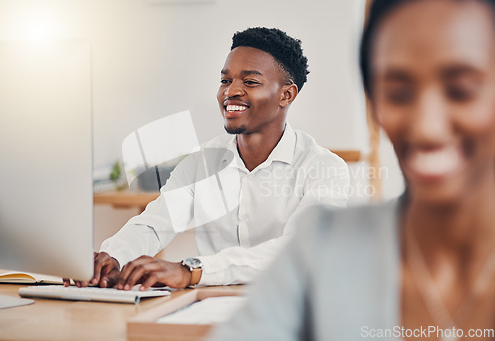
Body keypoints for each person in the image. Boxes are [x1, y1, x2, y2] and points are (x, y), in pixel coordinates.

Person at [209, 0, 495, 340]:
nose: (427, 127)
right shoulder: (323, 245)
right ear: (374, 105)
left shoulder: (322, 168)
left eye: (461, 91)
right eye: (398, 93)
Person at [65, 27, 349, 290]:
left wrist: (192, 271)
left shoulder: (325, 169)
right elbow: (154, 223)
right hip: (208, 305)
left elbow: (297, 250)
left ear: (286, 95)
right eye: (225, 80)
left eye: (249, 81)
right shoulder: (202, 162)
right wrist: (111, 257)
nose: (230, 91)